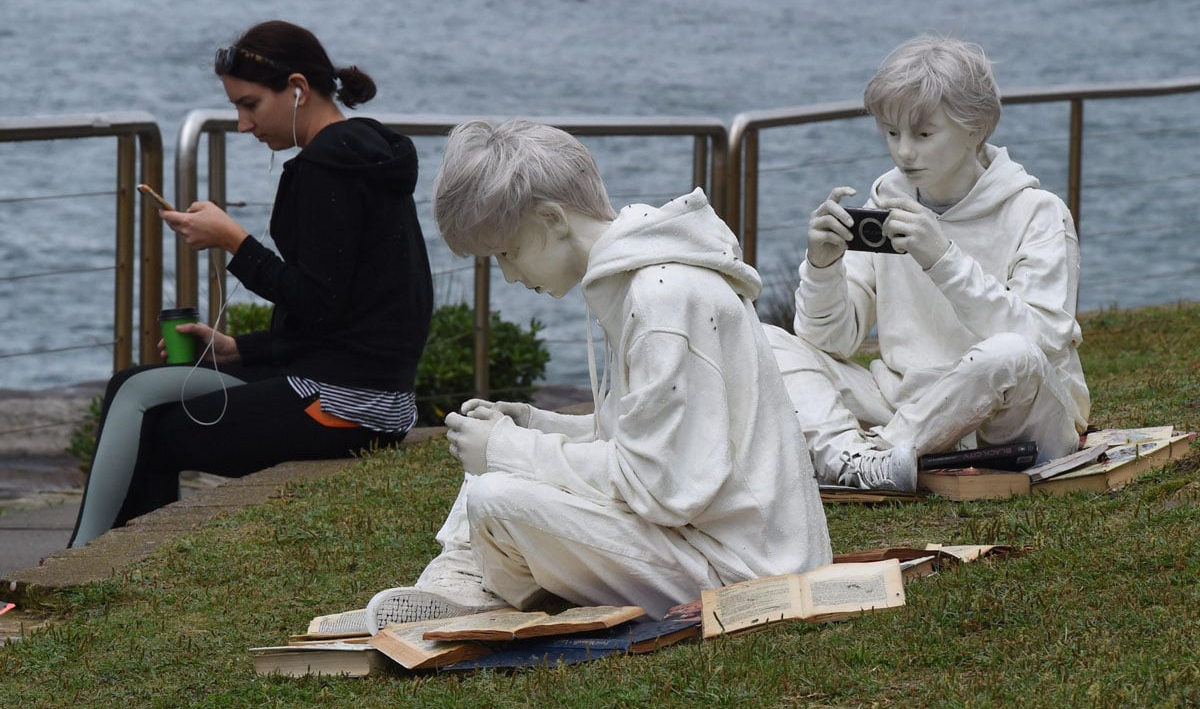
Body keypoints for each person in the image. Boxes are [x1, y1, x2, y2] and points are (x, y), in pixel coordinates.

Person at [363, 119, 831, 630]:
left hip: (748, 569)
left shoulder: (660, 301)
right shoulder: (643, 281)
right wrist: (533, 424)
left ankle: (477, 583)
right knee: (499, 458)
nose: (510, 275)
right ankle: (465, 577)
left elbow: (662, 485)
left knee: (495, 490)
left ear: (552, 219)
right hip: (719, 541)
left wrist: (507, 449)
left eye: (508, 251)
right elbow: (641, 442)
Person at [68, 20, 433, 547]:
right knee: (133, 386)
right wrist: (241, 349)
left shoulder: (327, 168)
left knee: (153, 427)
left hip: (344, 401)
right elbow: (349, 308)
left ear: (298, 89)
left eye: (250, 105)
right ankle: (108, 567)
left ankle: (81, 567)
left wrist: (233, 241)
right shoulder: (365, 155)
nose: (242, 125)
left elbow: (319, 302)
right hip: (378, 394)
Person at [764, 35, 1090, 492]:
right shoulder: (886, 204)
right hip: (905, 403)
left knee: (1010, 353)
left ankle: (871, 459)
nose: (904, 152)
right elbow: (829, 341)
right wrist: (822, 268)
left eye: (923, 134)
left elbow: (1040, 342)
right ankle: (852, 458)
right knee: (764, 339)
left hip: (1019, 422)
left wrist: (943, 259)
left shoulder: (1038, 212)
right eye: (892, 133)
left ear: (976, 127)